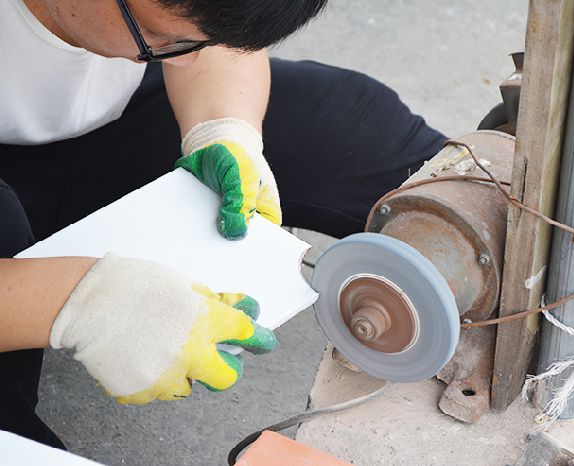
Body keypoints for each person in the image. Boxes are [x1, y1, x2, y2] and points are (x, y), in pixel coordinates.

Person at [0, 0, 447, 450]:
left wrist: (223, 130)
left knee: (351, 122)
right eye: (164, 39)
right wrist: (82, 303)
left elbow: (211, 40)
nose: (189, 56)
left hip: (101, 128)